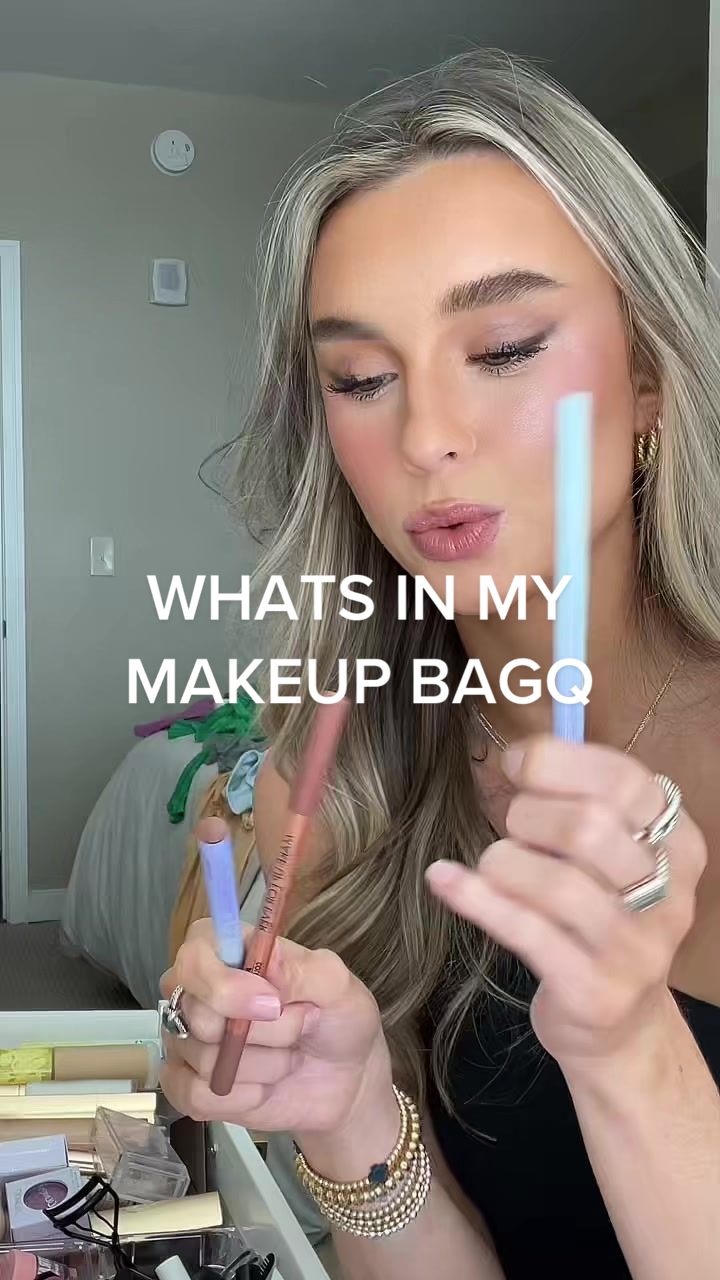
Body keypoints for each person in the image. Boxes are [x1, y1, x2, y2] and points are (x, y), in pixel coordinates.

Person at [159, 49, 720, 1280]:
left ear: (646, 380)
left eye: (504, 347)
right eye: (361, 378)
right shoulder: (344, 786)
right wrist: (354, 1116)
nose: (425, 436)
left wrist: (630, 1048)